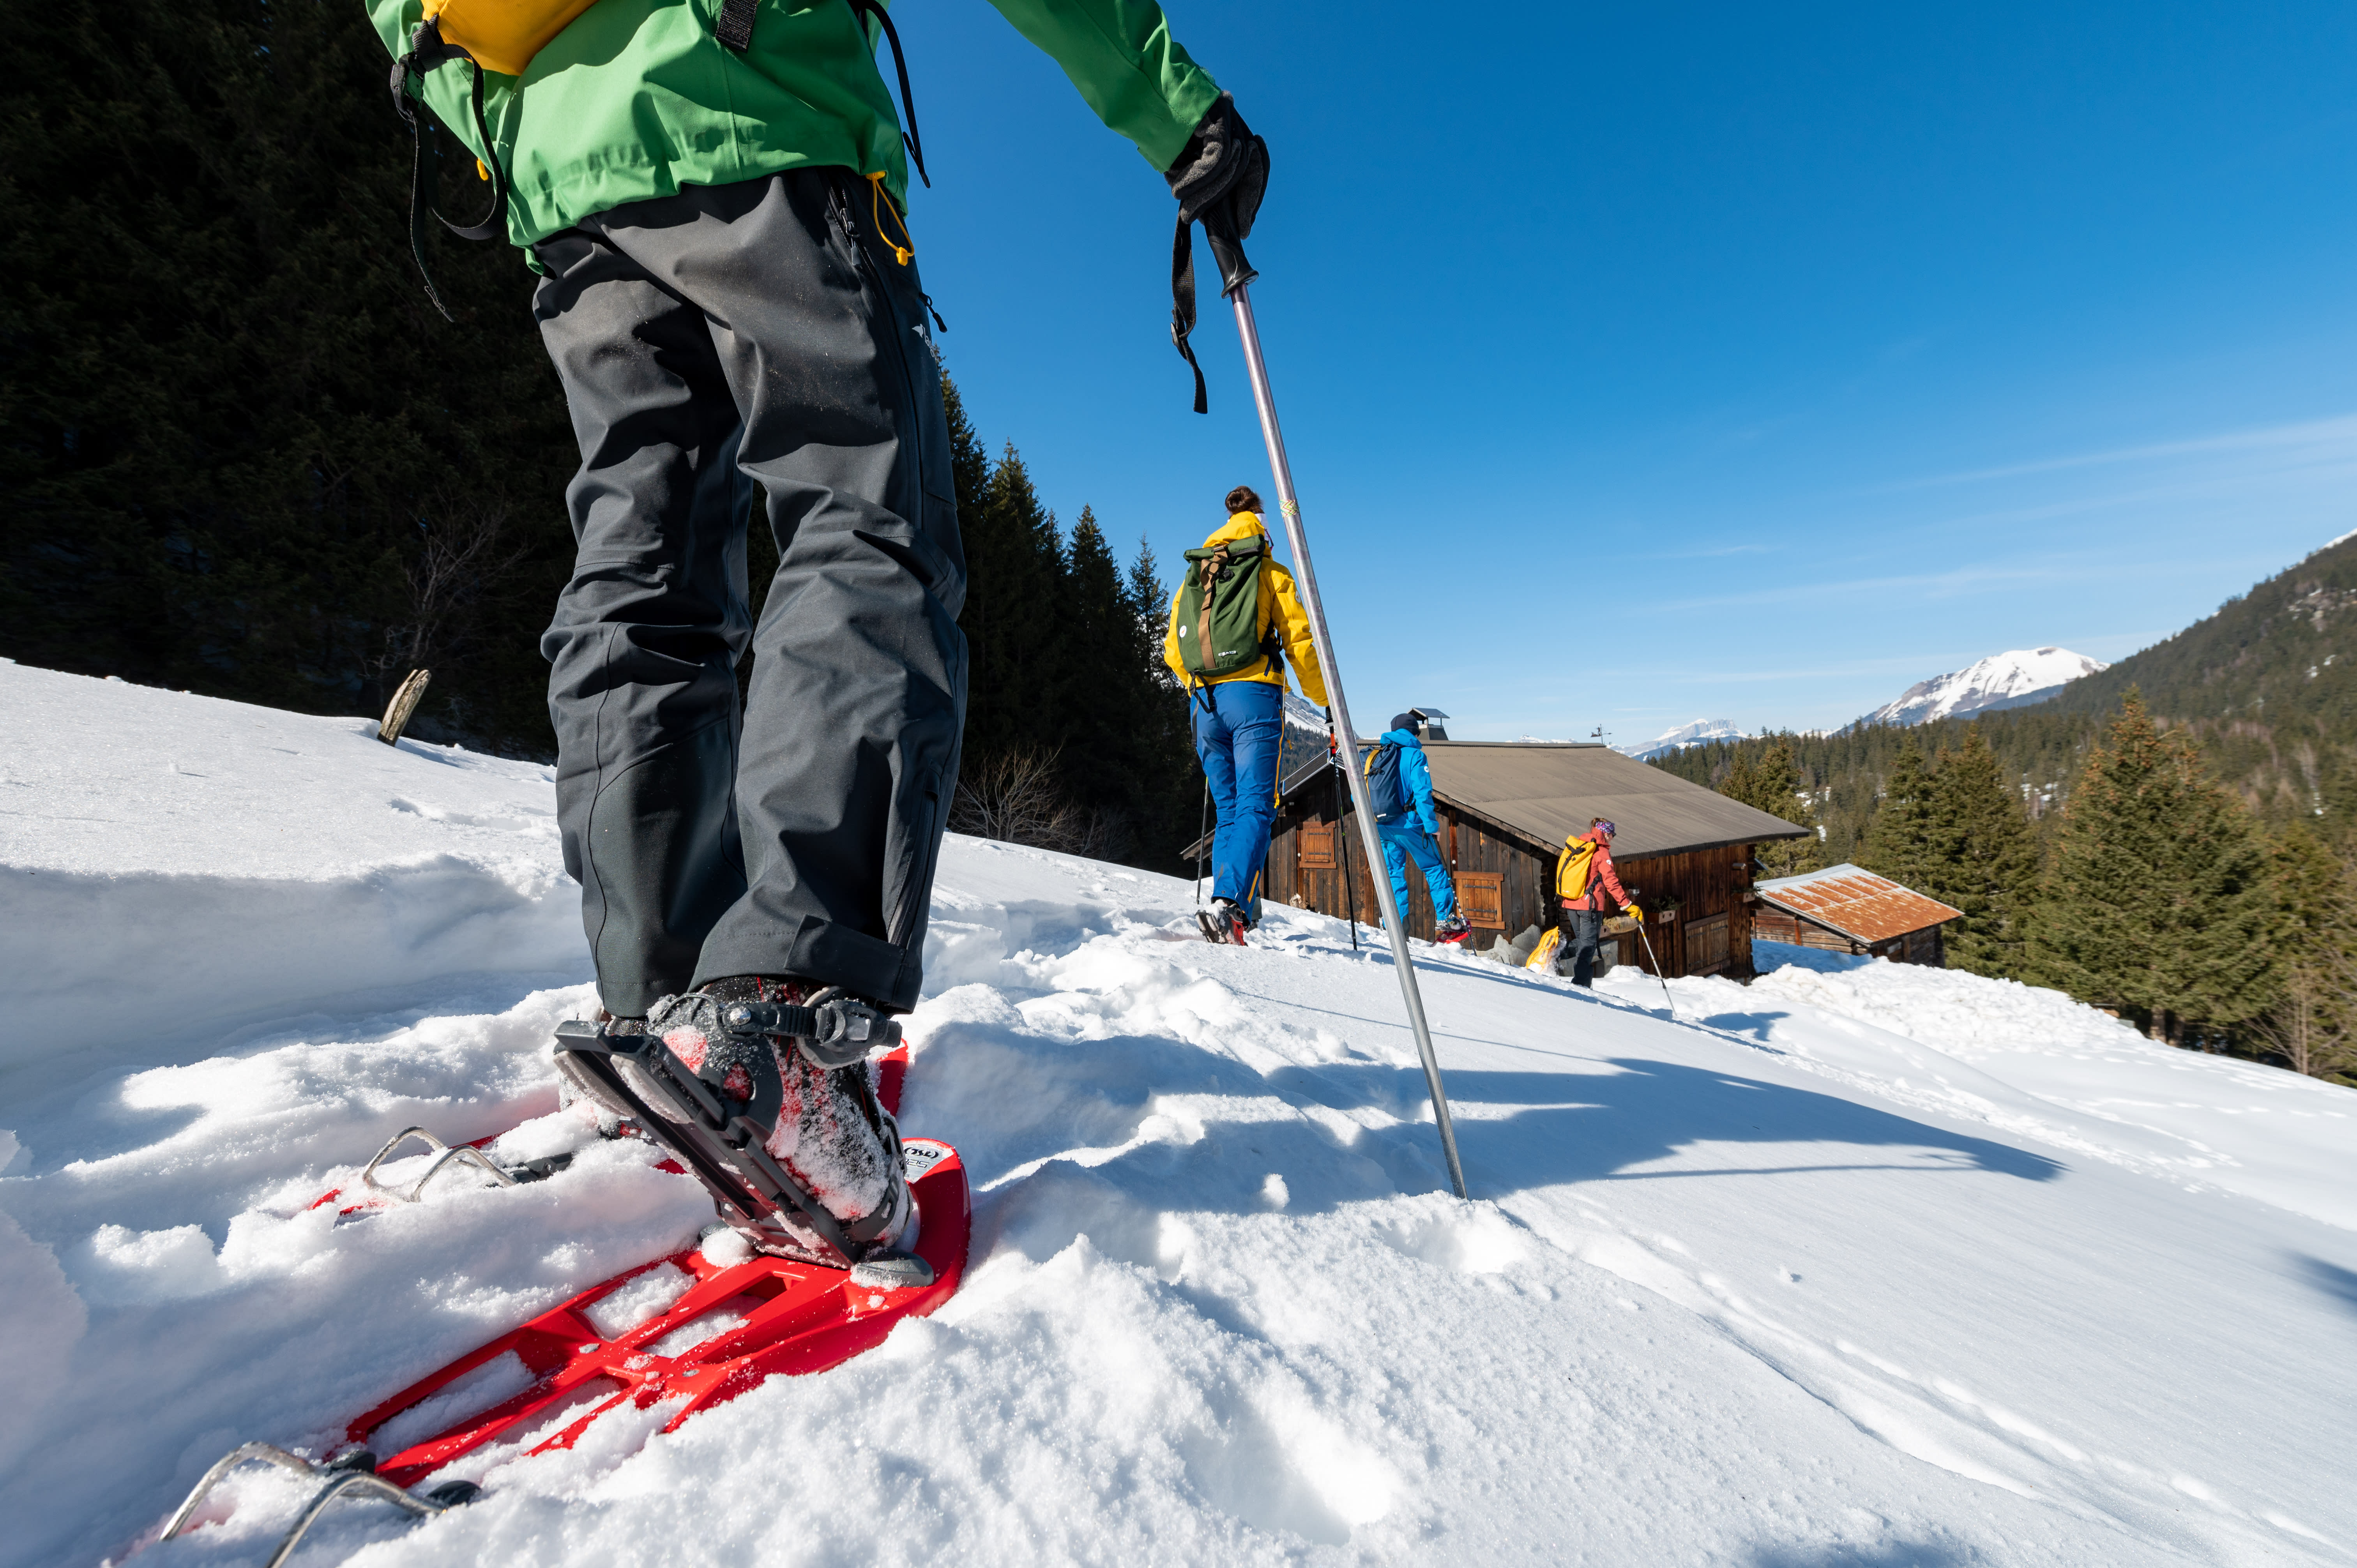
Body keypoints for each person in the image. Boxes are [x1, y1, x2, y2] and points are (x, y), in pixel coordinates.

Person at [369, 0, 1262, 1259]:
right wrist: (1180, 115)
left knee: (640, 569)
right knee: (863, 517)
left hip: (563, 181)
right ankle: (772, 1023)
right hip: (756, 99)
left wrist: (511, 125)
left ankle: (658, 1015)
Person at [1165, 486, 1327, 944]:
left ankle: (1231, 908)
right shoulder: (1270, 572)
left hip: (1204, 705)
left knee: (1230, 809)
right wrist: (1324, 699)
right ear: (1260, 524)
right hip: (1252, 699)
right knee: (1257, 804)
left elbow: (1173, 649)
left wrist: (1201, 685)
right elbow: (1300, 641)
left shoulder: (1197, 576)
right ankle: (1230, 905)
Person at [1364, 715, 1472, 945]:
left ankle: (1396, 923)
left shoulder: (1377, 756)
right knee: (1434, 867)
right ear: (1413, 733)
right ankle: (1446, 920)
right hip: (1409, 825)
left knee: (1393, 873)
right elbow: (1423, 793)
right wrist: (1432, 827)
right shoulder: (1415, 755)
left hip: (1381, 826)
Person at [1556, 818, 1643, 987]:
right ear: (1607, 834)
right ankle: (1580, 985)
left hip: (1571, 903)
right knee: (1588, 946)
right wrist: (1627, 904)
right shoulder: (1601, 852)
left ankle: (1554, 954)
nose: (1612, 839)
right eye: (1613, 835)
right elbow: (1611, 881)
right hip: (1589, 906)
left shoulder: (1580, 845)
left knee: (1583, 942)